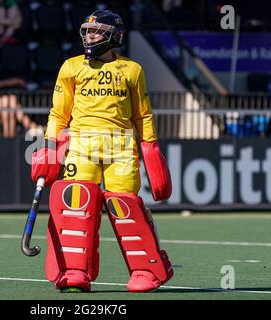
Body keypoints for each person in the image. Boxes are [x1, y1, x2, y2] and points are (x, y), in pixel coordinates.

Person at [31, 10, 173, 293]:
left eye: (96, 32)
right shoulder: (71, 67)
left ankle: (146, 271)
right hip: (81, 145)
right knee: (75, 203)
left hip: (121, 147)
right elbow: (58, 114)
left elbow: (142, 116)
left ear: (114, 36)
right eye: (86, 31)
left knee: (125, 206)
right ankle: (74, 271)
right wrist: (48, 148)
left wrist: (151, 150)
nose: (89, 36)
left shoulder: (132, 70)